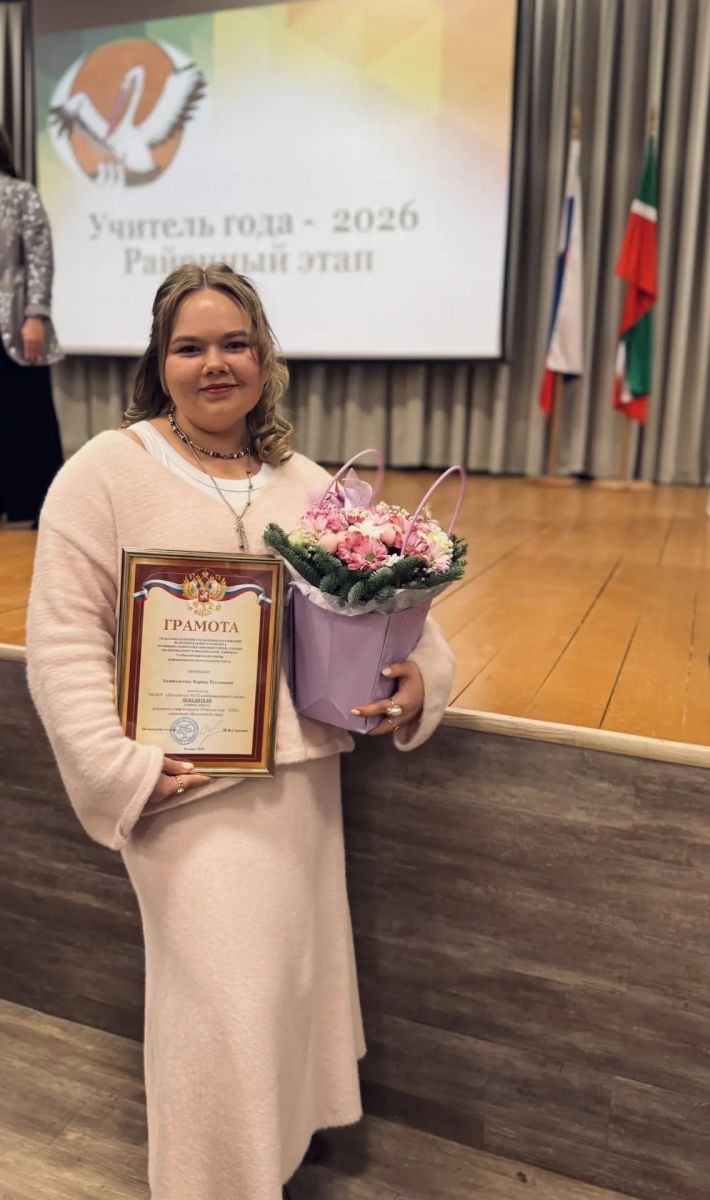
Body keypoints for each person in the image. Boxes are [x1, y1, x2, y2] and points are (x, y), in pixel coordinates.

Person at [25, 263, 455, 1200]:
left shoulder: (308, 484)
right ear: (159, 363)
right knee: (219, 1008)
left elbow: (393, 605)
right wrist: (118, 769)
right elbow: (61, 642)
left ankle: (278, 1155)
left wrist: (427, 674)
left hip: (300, 788)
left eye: (235, 344)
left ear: (265, 359)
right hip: (182, 792)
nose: (215, 364)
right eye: (190, 347)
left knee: (286, 985)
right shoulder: (103, 473)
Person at [0, 125, 64, 526]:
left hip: (15, 323)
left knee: (27, 414)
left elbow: (40, 258)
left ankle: (36, 505)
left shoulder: (20, 194)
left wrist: (35, 315)